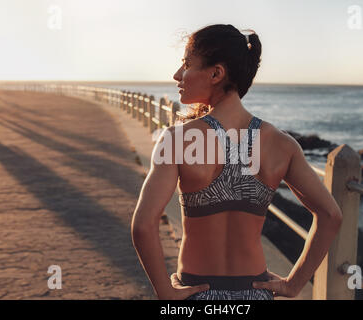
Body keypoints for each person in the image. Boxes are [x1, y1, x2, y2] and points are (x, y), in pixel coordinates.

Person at [131, 24, 343, 300]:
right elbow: (331, 216)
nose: (177, 74)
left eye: (186, 64)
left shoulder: (177, 139)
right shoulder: (283, 144)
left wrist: (165, 291)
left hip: (197, 292)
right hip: (256, 293)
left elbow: (143, 225)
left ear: (216, 73)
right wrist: (293, 284)